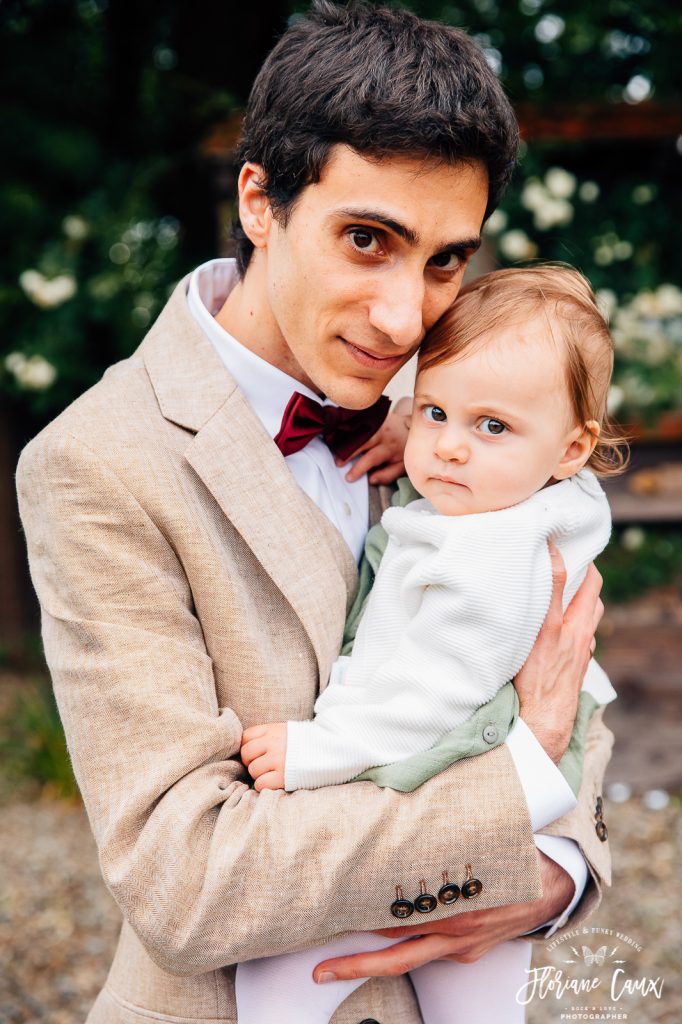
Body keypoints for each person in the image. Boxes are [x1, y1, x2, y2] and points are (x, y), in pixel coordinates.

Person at [16, 5, 613, 1023]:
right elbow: (188, 878)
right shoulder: (97, 461)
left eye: (442, 260)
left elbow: (563, 678)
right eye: (367, 240)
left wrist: (559, 869)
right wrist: (512, 800)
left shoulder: (462, 414)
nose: (403, 316)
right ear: (260, 200)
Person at [237, 264, 626, 1023]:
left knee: (279, 984)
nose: (447, 448)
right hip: (493, 790)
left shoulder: (493, 556)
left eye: (491, 427)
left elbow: (435, 692)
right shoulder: (529, 495)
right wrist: (413, 420)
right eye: (436, 411)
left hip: (442, 776)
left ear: (573, 448)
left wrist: (321, 750)